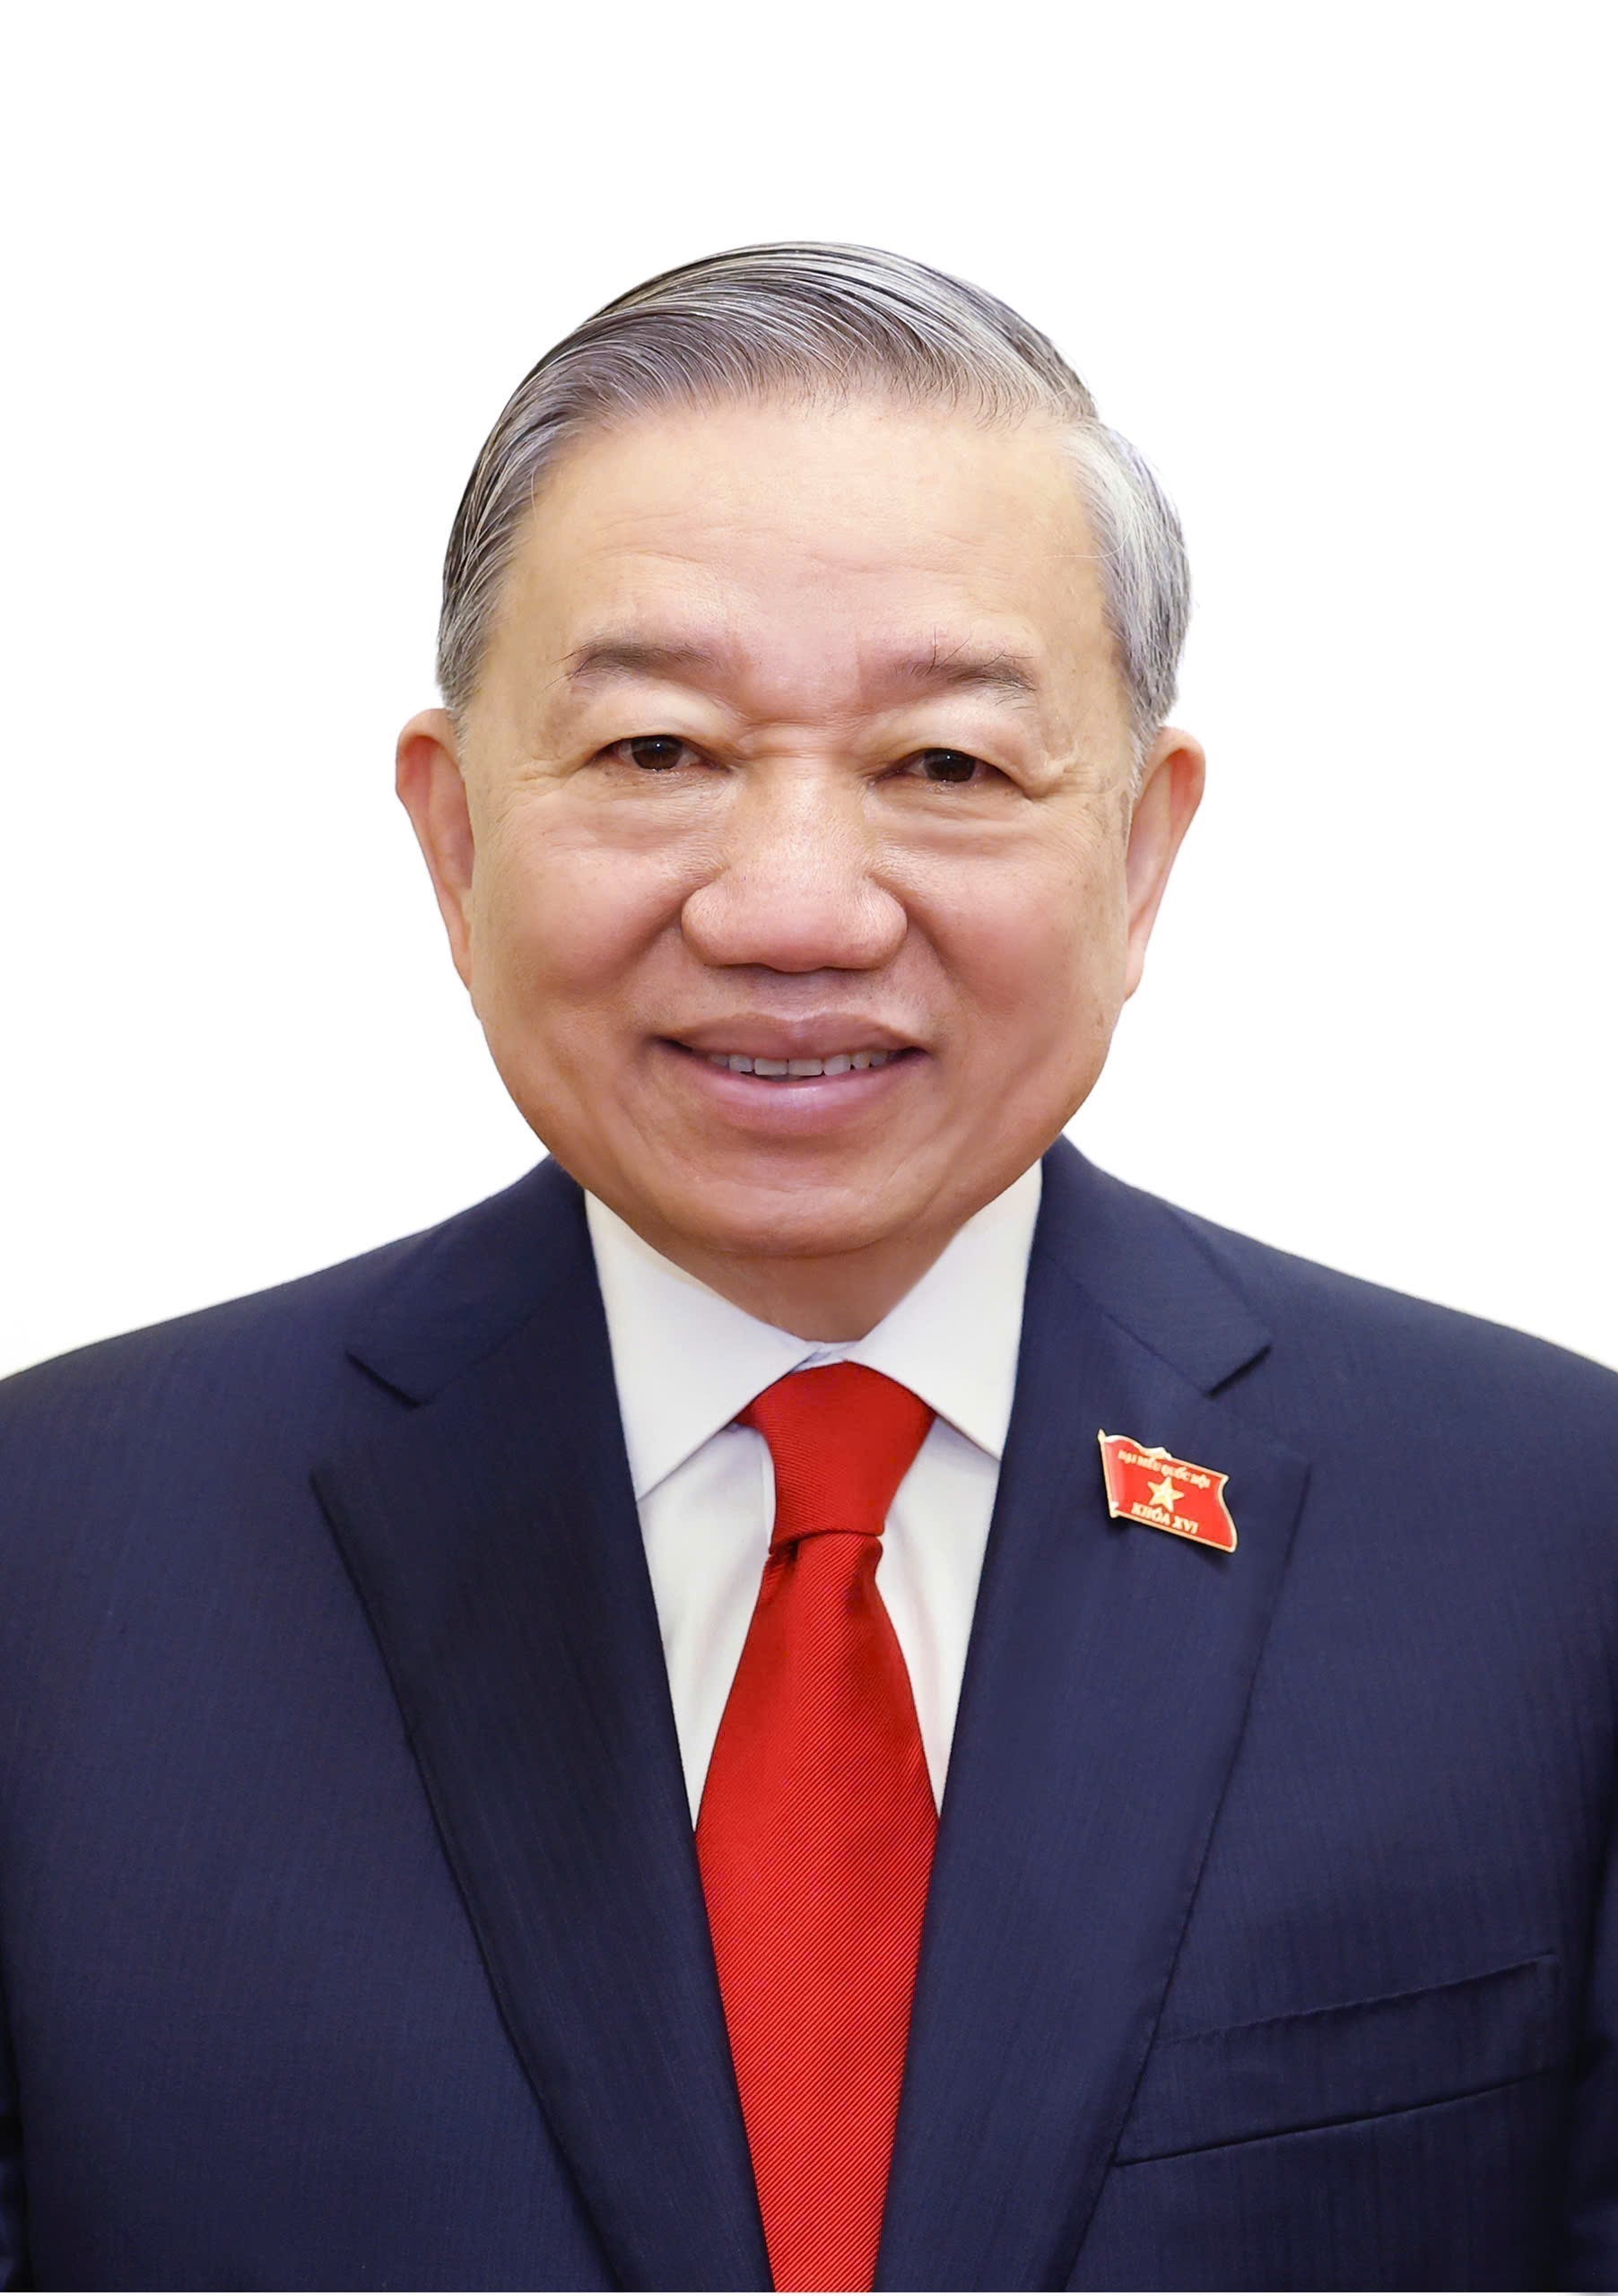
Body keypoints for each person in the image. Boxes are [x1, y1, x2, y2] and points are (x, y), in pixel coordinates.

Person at [0, 239, 1613, 2295]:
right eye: (655, 752)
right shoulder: (55, 1561)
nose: (789, 908)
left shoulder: (1548, 1542)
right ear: (455, 837)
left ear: (1136, 852)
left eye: (943, 765)